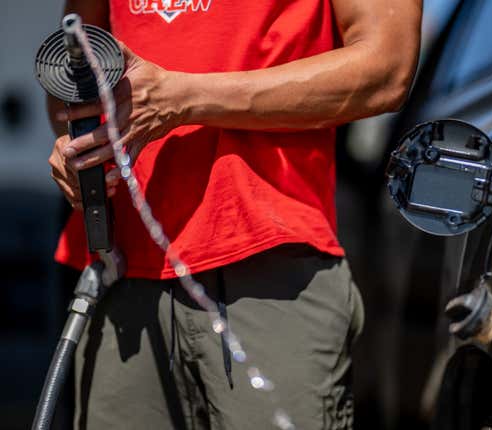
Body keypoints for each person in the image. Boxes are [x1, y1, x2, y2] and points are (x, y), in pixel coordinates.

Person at [46, 0, 422, 429]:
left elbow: (387, 68)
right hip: (120, 273)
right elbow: (70, 72)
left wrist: (186, 97)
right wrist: (79, 145)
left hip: (269, 269)